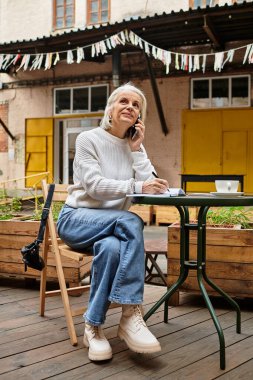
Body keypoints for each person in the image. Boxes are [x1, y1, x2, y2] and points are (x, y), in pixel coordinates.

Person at [57, 82, 169, 361]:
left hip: (111, 228)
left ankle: (92, 326)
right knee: (132, 222)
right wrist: (139, 186)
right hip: (77, 221)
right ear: (110, 108)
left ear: (139, 117)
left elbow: (149, 182)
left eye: (136, 105)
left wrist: (137, 149)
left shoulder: (133, 147)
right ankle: (131, 313)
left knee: (111, 248)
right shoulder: (88, 139)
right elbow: (94, 186)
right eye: (124, 101)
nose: (130, 107)